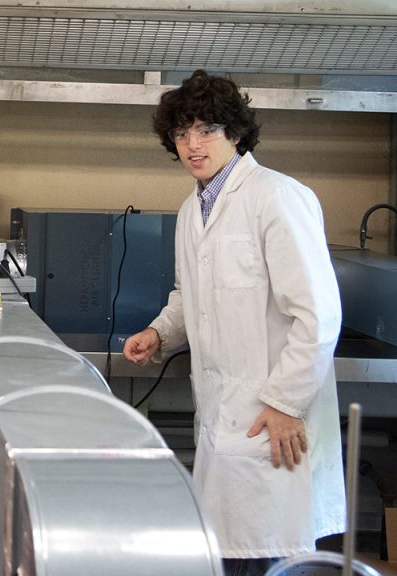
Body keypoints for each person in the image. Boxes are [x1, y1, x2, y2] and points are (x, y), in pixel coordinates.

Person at [122, 70, 345, 576]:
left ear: (236, 133)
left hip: (275, 422)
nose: (192, 145)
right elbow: (190, 295)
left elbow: (319, 313)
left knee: (272, 556)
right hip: (225, 421)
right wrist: (161, 331)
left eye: (206, 130)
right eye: (181, 134)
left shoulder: (277, 198)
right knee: (232, 554)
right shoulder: (191, 209)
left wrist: (286, 403)